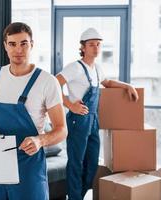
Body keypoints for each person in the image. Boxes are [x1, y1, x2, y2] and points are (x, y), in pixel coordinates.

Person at [0, 22, 67, 200]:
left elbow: (62, 129)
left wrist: (40, 140)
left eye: (23, 43)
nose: (18, 50)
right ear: (5, 46)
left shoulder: (47, 81)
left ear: (31, 44)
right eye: (12, 44)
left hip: (29, 165)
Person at [56, 28, 139, 200]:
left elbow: (107, 82)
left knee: (92, 163)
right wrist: (70, 106)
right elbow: (54, 85)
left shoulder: (97, 69)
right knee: (76, 163)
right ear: (83, 47)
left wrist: (127, 86)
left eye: (98, 45)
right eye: (91, 45)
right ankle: (74, 197)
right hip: (78, 120)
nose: (95, 48)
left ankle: (77, 195)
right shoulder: (74, 67)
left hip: (93, 120)